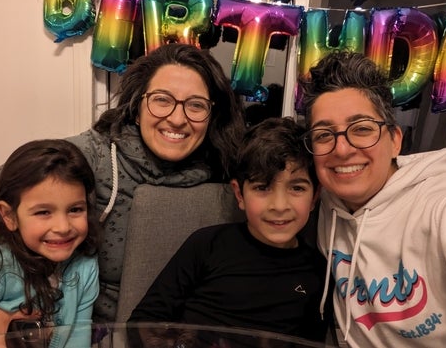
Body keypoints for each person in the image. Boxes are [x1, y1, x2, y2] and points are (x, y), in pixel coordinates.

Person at [0, 43, 246, 322]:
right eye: (162, 100)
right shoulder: (86, 157)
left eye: (196, 105)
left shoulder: (227, 180)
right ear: (136, 105)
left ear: (213, 115)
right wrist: (4, 305)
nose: (177, 119)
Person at [299, 50, 446, 347]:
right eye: (324, 135)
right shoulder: (325, 204)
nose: (342, 149)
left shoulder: (443, 202)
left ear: (395, 140)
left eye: (361, 129)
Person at [128, 117, 333, 344]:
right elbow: (143, 324)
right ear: (239, 195)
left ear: (315, 197)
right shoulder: (207, 245)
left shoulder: (318, 273)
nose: (279, 206)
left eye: (296, 188)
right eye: (262, 187)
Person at [0, 139, 100, 348]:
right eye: (43, 212)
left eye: (75, 209)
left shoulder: (86, 266)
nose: (63, 227)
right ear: (9, 216)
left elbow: (79, 337)